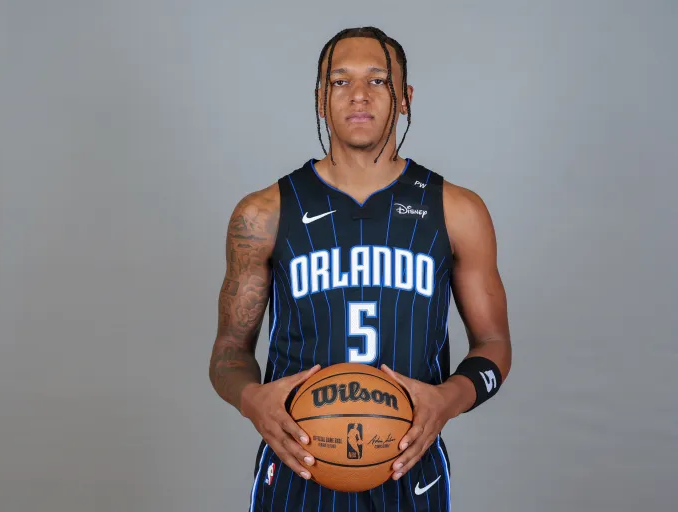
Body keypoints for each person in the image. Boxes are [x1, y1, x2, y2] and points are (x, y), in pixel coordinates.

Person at [209, 26, 512, 511]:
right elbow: (228, 352)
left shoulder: (458, 211)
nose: (358, 95)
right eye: (339, 81)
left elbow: (494, 344)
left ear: (405, 98)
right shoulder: (262, 214)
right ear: (320, 99)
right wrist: (252, 400)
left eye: (377, 80)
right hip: (297, 468)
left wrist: (448, 399)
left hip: (410, 471)